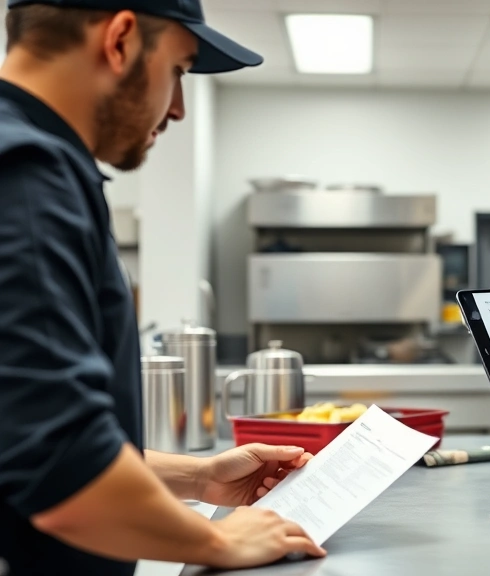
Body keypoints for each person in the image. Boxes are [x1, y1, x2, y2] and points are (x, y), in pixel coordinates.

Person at [0, 1, 327, 574]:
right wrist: (218, 543)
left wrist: (198, 478)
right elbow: (55, 459)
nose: (177, 108)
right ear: (121, 39)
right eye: (178, 69)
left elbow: (16, 431)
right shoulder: (27, 178)